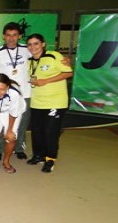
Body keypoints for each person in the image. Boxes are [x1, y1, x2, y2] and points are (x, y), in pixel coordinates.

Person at [0, 22, 31, 160]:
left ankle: (18, 147)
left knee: (21, 123)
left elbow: (41, 55)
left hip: (25, 93)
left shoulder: (27, 49)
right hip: (2, 95)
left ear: (20, 36)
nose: (11, 38)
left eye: (15, 35)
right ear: (4, 36)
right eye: (8, 35)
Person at [25, 33, 73, 173]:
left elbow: (68, 73)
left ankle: (50, 159)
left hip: (55, 102)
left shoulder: (54, 56)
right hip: (37, 102)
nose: (33, 47)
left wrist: (46, 81)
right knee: (37, 131)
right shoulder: (29, 61)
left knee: (50, 132)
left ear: (43, 44)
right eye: (30, 44)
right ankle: (38, 155)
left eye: (36, 43)